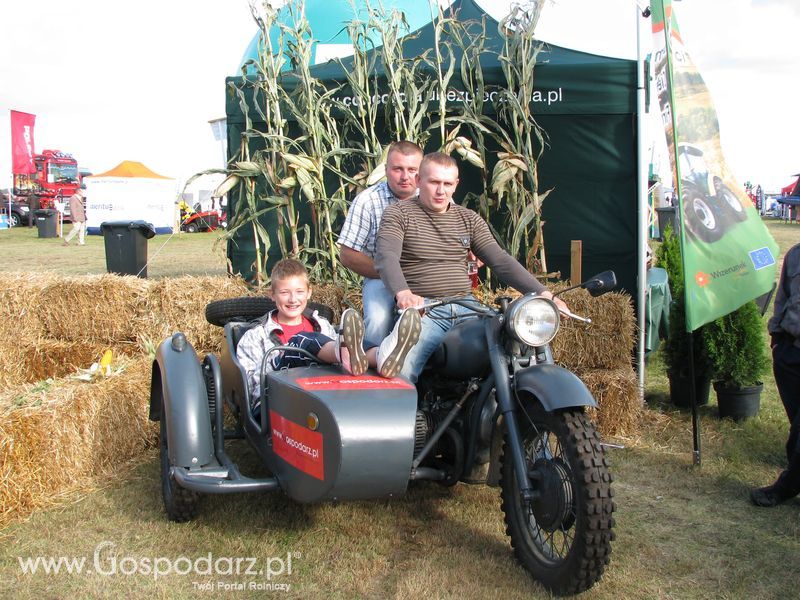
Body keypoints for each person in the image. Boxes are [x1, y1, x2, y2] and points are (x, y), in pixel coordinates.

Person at [375, 152, 569, 383]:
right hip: (426, 308)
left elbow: (500, 260)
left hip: (468, 307)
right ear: (419, 181)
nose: (441, 191)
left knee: (517, 344)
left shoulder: (469, 219)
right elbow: (387, 257)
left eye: (447, 184)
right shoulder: (399, 214)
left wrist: (545, 294)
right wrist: (404, 293)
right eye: (434, 182)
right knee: (401, 373)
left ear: (456, 185)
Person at [236, 258, 421, 415]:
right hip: (279, 401)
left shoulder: (322, 324)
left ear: (309, 292)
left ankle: (380, 356)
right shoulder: (255, 336)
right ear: (272, 295)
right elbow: (253, 390)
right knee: (303, 340)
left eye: (299, 292)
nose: (293, 299)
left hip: (324, 396)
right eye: (285, 293)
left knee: (345, 341)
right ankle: (342, 351)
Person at [338, 140, 423, 346]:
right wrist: (391, 274)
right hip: (380, 278)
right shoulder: (367, 200)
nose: (405, 176)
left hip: (425, 278)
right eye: (397, 169)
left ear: (422, 172)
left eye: (412, 170)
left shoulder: (435, 195)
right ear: (386, 170)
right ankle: (370, 369)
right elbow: (347, 254)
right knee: (378, 320)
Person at [752, 242, 800, 507]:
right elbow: (783, 297)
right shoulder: (795, 255)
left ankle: (785, 487)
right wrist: (777, 337)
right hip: (790, 353)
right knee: (796, 426)